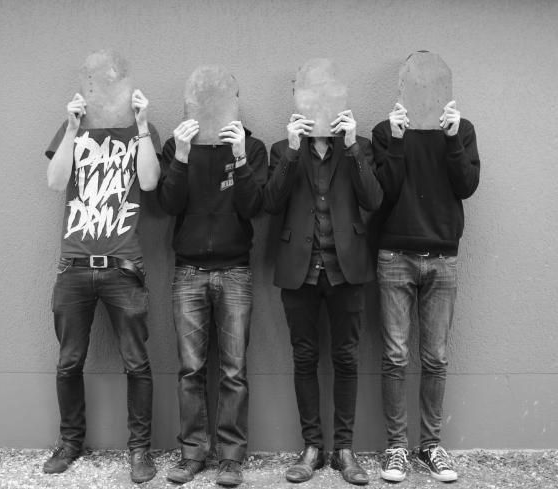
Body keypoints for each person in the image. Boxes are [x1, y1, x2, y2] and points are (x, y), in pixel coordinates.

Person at [43, 87, 161, 484]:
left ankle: (140, 450)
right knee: (68, 362)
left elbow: (149, 182)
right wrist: (71, 128)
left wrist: (142, 124)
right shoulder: (72, 128)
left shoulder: (143, 131)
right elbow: (55, 182)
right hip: (74, 266)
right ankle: (70, 443)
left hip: (123, 267)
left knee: (137, 362)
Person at [263, 101, 383, 484]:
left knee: (346, 358)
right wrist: (292, 150)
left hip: (346, 270)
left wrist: (352, 145)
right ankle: (312, 448)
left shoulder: (358, 147)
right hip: (300, 271)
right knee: (304, 358)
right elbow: (270, 202)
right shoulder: (283, 148)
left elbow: (373, 200)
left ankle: (344, 450)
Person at [372, 91, 480, 481]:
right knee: (395, 356)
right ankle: (397, 447)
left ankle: (431, 445)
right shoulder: (385, 131)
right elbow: (383, 190)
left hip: (442, 256)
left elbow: (466, 185)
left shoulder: (462, 130)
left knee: (435, 357)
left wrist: (452, 139)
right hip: (394, 255)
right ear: (402, 90)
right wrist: (397, 140)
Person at [158, 106, 267, 485]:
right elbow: (168, 204)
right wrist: (181, 155)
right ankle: (192, 454)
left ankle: (231, 458)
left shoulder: (251, 147)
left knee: (234, 371)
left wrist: (240, 157)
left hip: (235, 270)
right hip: (188, 271)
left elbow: (254, 206)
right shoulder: (176, 145)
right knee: (191, 370)